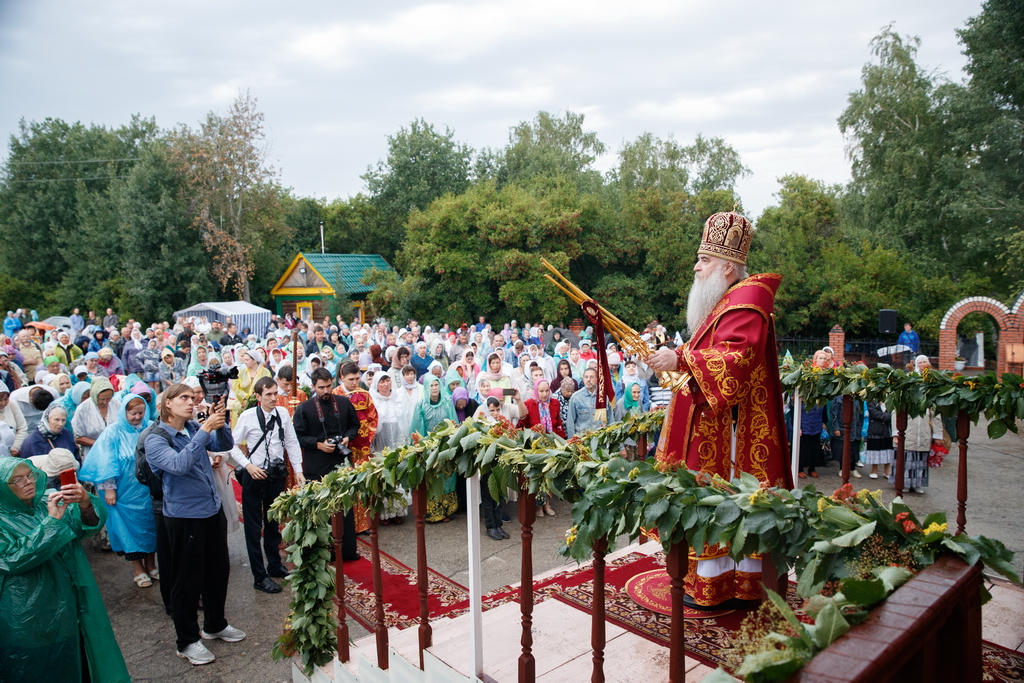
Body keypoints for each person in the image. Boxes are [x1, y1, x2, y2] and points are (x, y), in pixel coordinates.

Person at [647, 210, 791, 611]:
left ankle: (724, 586)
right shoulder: (726, 301)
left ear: (729, 267)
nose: (696, 266)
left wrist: (679, 360)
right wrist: (677, 358)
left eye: (705, 260)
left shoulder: (746, 303)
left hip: (732, 433)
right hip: (717, 423)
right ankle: (715, 581)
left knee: (725, 500)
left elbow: (734, 361)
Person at [0, 458, 131, 682]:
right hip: (28, 615)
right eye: (18, 480)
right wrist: (52, 523)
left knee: (76, 661)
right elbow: (13, 559)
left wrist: (84, 503)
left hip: (70, 605)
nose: (29, 482)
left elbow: (85, 527)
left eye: (30, 475)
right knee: (36, 668)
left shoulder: (45, 501)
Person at [144, 382, 243, 666]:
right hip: (184, 516)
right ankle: (186, 641)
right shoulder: (155, 438)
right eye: (184, 398)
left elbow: (224, 445)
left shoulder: (190, 429)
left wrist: (220, 422)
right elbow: (178, 465)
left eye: (192, 397)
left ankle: (215, 624)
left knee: (217, 571)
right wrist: (204, 429)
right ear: (167, 404)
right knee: (186, 579)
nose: (191, 402)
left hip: (210, 510)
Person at [229, 377, 304, 594]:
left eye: (275, 393)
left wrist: (298, 470)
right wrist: (247, 465)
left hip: (275, 476)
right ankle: (259, 576)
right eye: (268, 394)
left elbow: (291, 441)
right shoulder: (248, 416)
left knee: (273, 524)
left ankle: (274, 565)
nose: (273, 398)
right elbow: (231, 445)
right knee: (253, 528)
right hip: (255, 476)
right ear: (258, 396)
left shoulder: (282, 414)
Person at [79, 396, 158, 587]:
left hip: (147, 490)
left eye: (141, 412)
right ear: (124, 412)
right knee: (129, 530)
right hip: (123, 493)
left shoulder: (150, 427)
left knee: (151, 527)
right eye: (133, 413)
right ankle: (138, 569)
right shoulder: (113, 432)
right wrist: (109, 490)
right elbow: (107, 462)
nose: (137, 417)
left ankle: (151, 564)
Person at [292, 367, 360, 560]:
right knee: (321, 509)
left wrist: (347, 437)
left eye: (329, 386)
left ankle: (347, 551)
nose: (326, 391)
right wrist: (318, 445)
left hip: (341, 461)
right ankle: (322, 552)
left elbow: (355, 425)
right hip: (317, 463)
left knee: (344, 507)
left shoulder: (344, 403)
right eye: (321, 388)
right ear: (313, 387)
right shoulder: (304, 408)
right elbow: (298, 436)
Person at [332, 362, 378, 534]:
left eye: (357, 378)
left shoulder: (364, 395)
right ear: (342, 378)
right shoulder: (334, 395)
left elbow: (373, 417)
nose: (355, 383)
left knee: (363, 484)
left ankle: (365, 524)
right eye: (351, 379)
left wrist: (368, 437)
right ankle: (348, 524)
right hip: (341, 448)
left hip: (362, 448)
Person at [411, 375, 458, 522]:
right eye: (431, 385)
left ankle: (446, 510)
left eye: (436, 385)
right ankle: (432, 512)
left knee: (447, 476)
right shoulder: (421, 404)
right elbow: (418, 426)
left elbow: (453, 422)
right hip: (429, 447)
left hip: (445, 445)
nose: (434, 388)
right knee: (433, 477)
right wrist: (423, 445)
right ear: (426, 387)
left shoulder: (447, 402)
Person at [369, 372, 409, 524]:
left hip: (396, 440)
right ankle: (384, 514)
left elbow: (404, 420)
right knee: (383, 477)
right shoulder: (373, 399)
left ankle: (398, 511)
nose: (386, 384)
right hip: (380, 442)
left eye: (387, 380)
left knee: (397, 475)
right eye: (382, 382)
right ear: (376, 385)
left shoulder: (398, 397)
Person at [891, 405, 943, 494]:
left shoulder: (929, 402)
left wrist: (937, 435)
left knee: (920, 461)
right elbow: (896, 413)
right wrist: (896, 433)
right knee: (906, 461)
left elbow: (936, 417)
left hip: (923, 436)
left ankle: (917, 484)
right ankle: (904, 483)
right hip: (907, 435)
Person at [72, 376, 120, 459]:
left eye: (108, 398)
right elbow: (78, 438)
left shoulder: (117, 404)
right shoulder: (82, 409)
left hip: (116, 450)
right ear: (94, 395)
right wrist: (100, 444)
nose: (105, 402)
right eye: (101, 399)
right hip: (93, 453)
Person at [565, 368, 605, 436]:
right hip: (582, 438)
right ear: (583, 379)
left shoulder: (604, 396)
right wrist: (572, 441)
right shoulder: (576, 397)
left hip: (601, 437)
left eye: (591, 377)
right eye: (586, 377)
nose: (588, 379)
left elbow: (610, 419)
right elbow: (570, 421)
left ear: (597, 379)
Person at [865, 401, 893, 480]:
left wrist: (888, 416)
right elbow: (874, 413)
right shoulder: (872, 401)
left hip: (887, 430)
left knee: (887, 450)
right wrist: (887, 417)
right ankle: (874, 471)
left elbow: (893, 413)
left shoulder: (890, 399)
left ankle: (887, 471)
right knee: (874, 449)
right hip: (875, 429)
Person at [0, 386, 27, 455]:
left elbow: (22, 427)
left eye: (6, 399)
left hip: (14, 452)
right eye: (0, 400)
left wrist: (15, 447)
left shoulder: (12, 405)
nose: (3, 403)